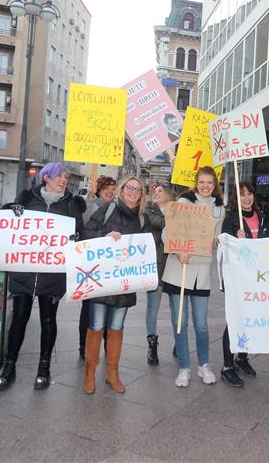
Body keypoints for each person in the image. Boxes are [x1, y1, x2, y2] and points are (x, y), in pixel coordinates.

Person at [0, 162, 85, 391]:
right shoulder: (27, 198)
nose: (63, 180)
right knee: (19, 320)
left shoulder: (72, 205)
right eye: (59, 177)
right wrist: (12, 210)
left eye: (65, 177)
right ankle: (9, 368)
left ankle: (44, 369)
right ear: (46, 178)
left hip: (52, 273)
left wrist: (76, 238)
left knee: (48, 320)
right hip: (24, 271)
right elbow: (5, 221)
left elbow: (81, 233)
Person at [81, 176, 151, 394]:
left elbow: (145, 250)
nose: (132, 192)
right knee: (96, 326)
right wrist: (104, 236)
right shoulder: (107, 210)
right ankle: (90, 374)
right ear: (122, 190)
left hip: (124, 283)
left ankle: (112, 374)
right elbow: (86, 234)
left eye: (137, 190)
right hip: (101, 281)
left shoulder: (142, 219)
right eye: (129, 188)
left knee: (117, 328)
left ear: (141, 195)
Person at [161, 166, 225, 387]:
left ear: (215, 185)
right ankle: (184, 367)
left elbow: (216, 239)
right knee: (180, 322)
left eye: (210, 183)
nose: (205, 186)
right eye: (202, 182)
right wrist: (177, 251)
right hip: (179, 270)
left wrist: (219, 241)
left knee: (201, 324)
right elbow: (167, 231)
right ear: (196, 183)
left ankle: (204, 365)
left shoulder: (219, 208)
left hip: (201, 272)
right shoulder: (184, 203)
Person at [219, 182, 268, 387]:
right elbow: (223, 244)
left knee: (251, 318)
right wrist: (234, 239)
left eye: (249, 194)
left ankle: (242, 357)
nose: (246, 198)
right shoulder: (231, 218)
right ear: (236, 199)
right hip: (238, 278)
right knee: (236, 318)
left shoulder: (262, 216)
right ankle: (227, 366)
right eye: (242, 195)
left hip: (258, 276)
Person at [78, 175, 116, 359]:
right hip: (91, 265)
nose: (110, 191)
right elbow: (83, 226)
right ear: (100, 189)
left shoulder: (117, 208)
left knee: (110, 307)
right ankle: (83, 346)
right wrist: (89, 199)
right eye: (107, 187)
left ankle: (109, 348)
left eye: (113, 188)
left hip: (109, 266)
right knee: (88, 307)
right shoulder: (90, 205)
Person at [144, 183, 175, 365]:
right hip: (155, 267)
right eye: (154, 192)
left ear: (169, 195)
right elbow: (161, 223)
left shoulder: (177, 210)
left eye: (160, 191)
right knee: (152, 309)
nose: (156, 194)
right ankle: (152, 346)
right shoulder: (149, 211)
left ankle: (179, 343)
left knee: (176, 309)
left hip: (173, 267)